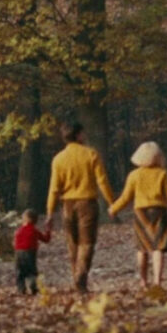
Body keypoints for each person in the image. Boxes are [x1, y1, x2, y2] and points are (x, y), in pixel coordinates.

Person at [46, 122, 115, 293]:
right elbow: (102, 181)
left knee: (72, 243)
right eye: (83, 133)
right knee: (87, 243)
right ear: (78, 135)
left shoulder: (58, 159)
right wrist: (111, 202)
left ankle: (76, 277)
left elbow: (54, 188)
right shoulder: (91, 154)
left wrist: (49, 212)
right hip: (87, 203)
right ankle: (80, 279)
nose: (85, 136)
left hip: (67, 204)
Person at [109, 141, 167, 289]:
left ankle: (143, 281)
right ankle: (157, 281)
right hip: (159, 212)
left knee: (142, 247)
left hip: (141, 213)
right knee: (158, 247)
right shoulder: (162, 174)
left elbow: (125, 197)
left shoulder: (134, 175)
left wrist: (114, 209)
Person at [13, 209, 51, 295]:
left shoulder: (19, 230)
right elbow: (46, 239)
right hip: (30, 253)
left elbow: (15, 241)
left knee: (19, 272)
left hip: (19, 253)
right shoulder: (34, 231)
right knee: (31, 271)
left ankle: (21, 289)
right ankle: (33, 288)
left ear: (25, 220)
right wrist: (48, 229)